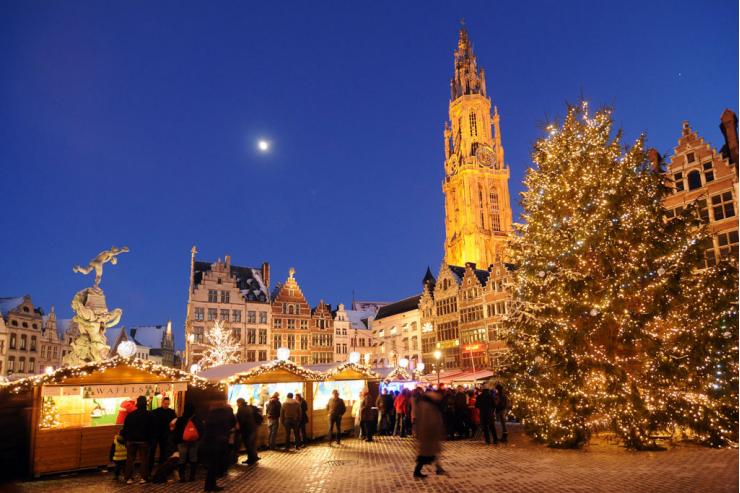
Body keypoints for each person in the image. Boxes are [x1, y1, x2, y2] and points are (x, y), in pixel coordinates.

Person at [201, 399, 236, 492]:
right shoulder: (224, 414)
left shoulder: (210, 415)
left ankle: (210, 486)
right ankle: (210, 487)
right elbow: (231, 424)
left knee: (211, 466)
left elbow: (207, 429)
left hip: (210, 444)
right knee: (214, 466)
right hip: (219, 444)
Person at [413, 389, 445, 479]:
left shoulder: (423, 405)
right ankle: (417, 471)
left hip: (427, 434)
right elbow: (430, 421)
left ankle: (438, 468)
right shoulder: (428, 407)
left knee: (431, 453)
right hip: (428, 434)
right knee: (425, 455)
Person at [122, 395, 153, 484]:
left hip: (131, 440)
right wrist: (151, 439)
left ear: (137, 404)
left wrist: (126, 439)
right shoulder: (149, 415)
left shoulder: (131, 415)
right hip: (144, 440)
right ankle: (143, 478)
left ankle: (128, 478)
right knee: (144, 459)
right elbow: (152, 429)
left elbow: (125, 428)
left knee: (130, 459)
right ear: (145, 404)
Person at [173, 402, 203, 482]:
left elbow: (176, 432)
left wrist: (176, 442)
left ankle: (182, 477)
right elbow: (201, 430)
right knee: (193, 458)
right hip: (194, 441)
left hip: (182, 442)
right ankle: (192, 476)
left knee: (182, 459)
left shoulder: (180, 419)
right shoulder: (197, 419)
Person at [149, 396, 177, 471]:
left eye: (168, 404)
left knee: (163, 452)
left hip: (165, 435)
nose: (166, 405)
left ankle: (161, 467)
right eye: (165, 403)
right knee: (153, 451)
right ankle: (152, 467)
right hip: (156, 434)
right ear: (162, 403)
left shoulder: (171, 412)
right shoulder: (155, 411)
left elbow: (175, 421)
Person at [236, 398, 260, 465]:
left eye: (237, 403)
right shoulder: (248, 407)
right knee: (252, 444)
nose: (236, 404)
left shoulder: (241, 409)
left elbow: (242, 420)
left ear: (239, 403)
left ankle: (251, 459)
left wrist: (239, 428)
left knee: (248, 444)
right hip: (253, 427)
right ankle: (253, 457)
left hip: (247, 429)